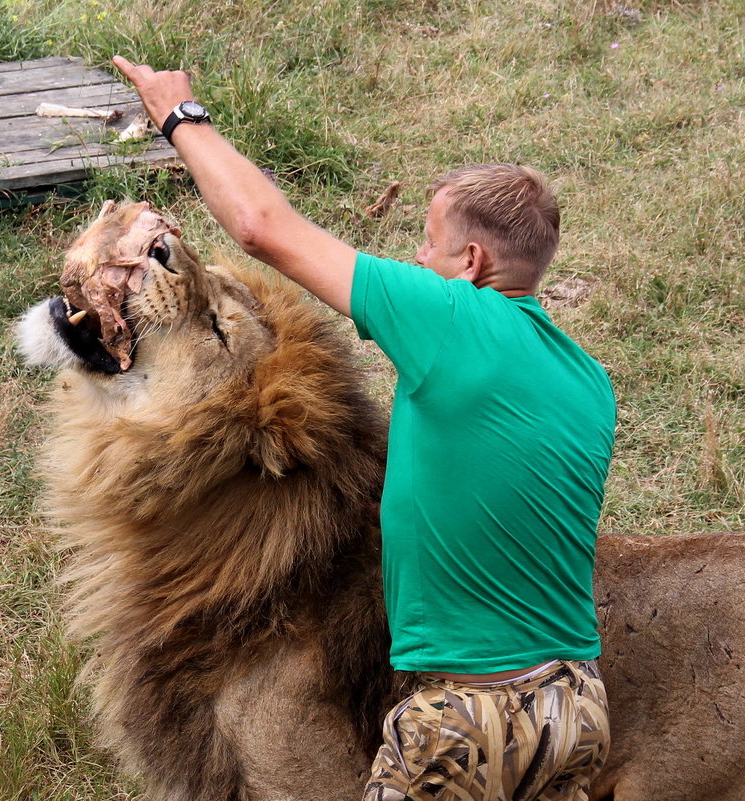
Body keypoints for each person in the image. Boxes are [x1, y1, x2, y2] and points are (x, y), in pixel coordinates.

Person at [113, 56, 617, 801]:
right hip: (575, 709)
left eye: (428, 242)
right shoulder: (588, 381)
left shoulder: (452, 314)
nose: (416, 258)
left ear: (471, 261)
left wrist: (178, 114)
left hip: (472, 712)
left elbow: (261, 227)